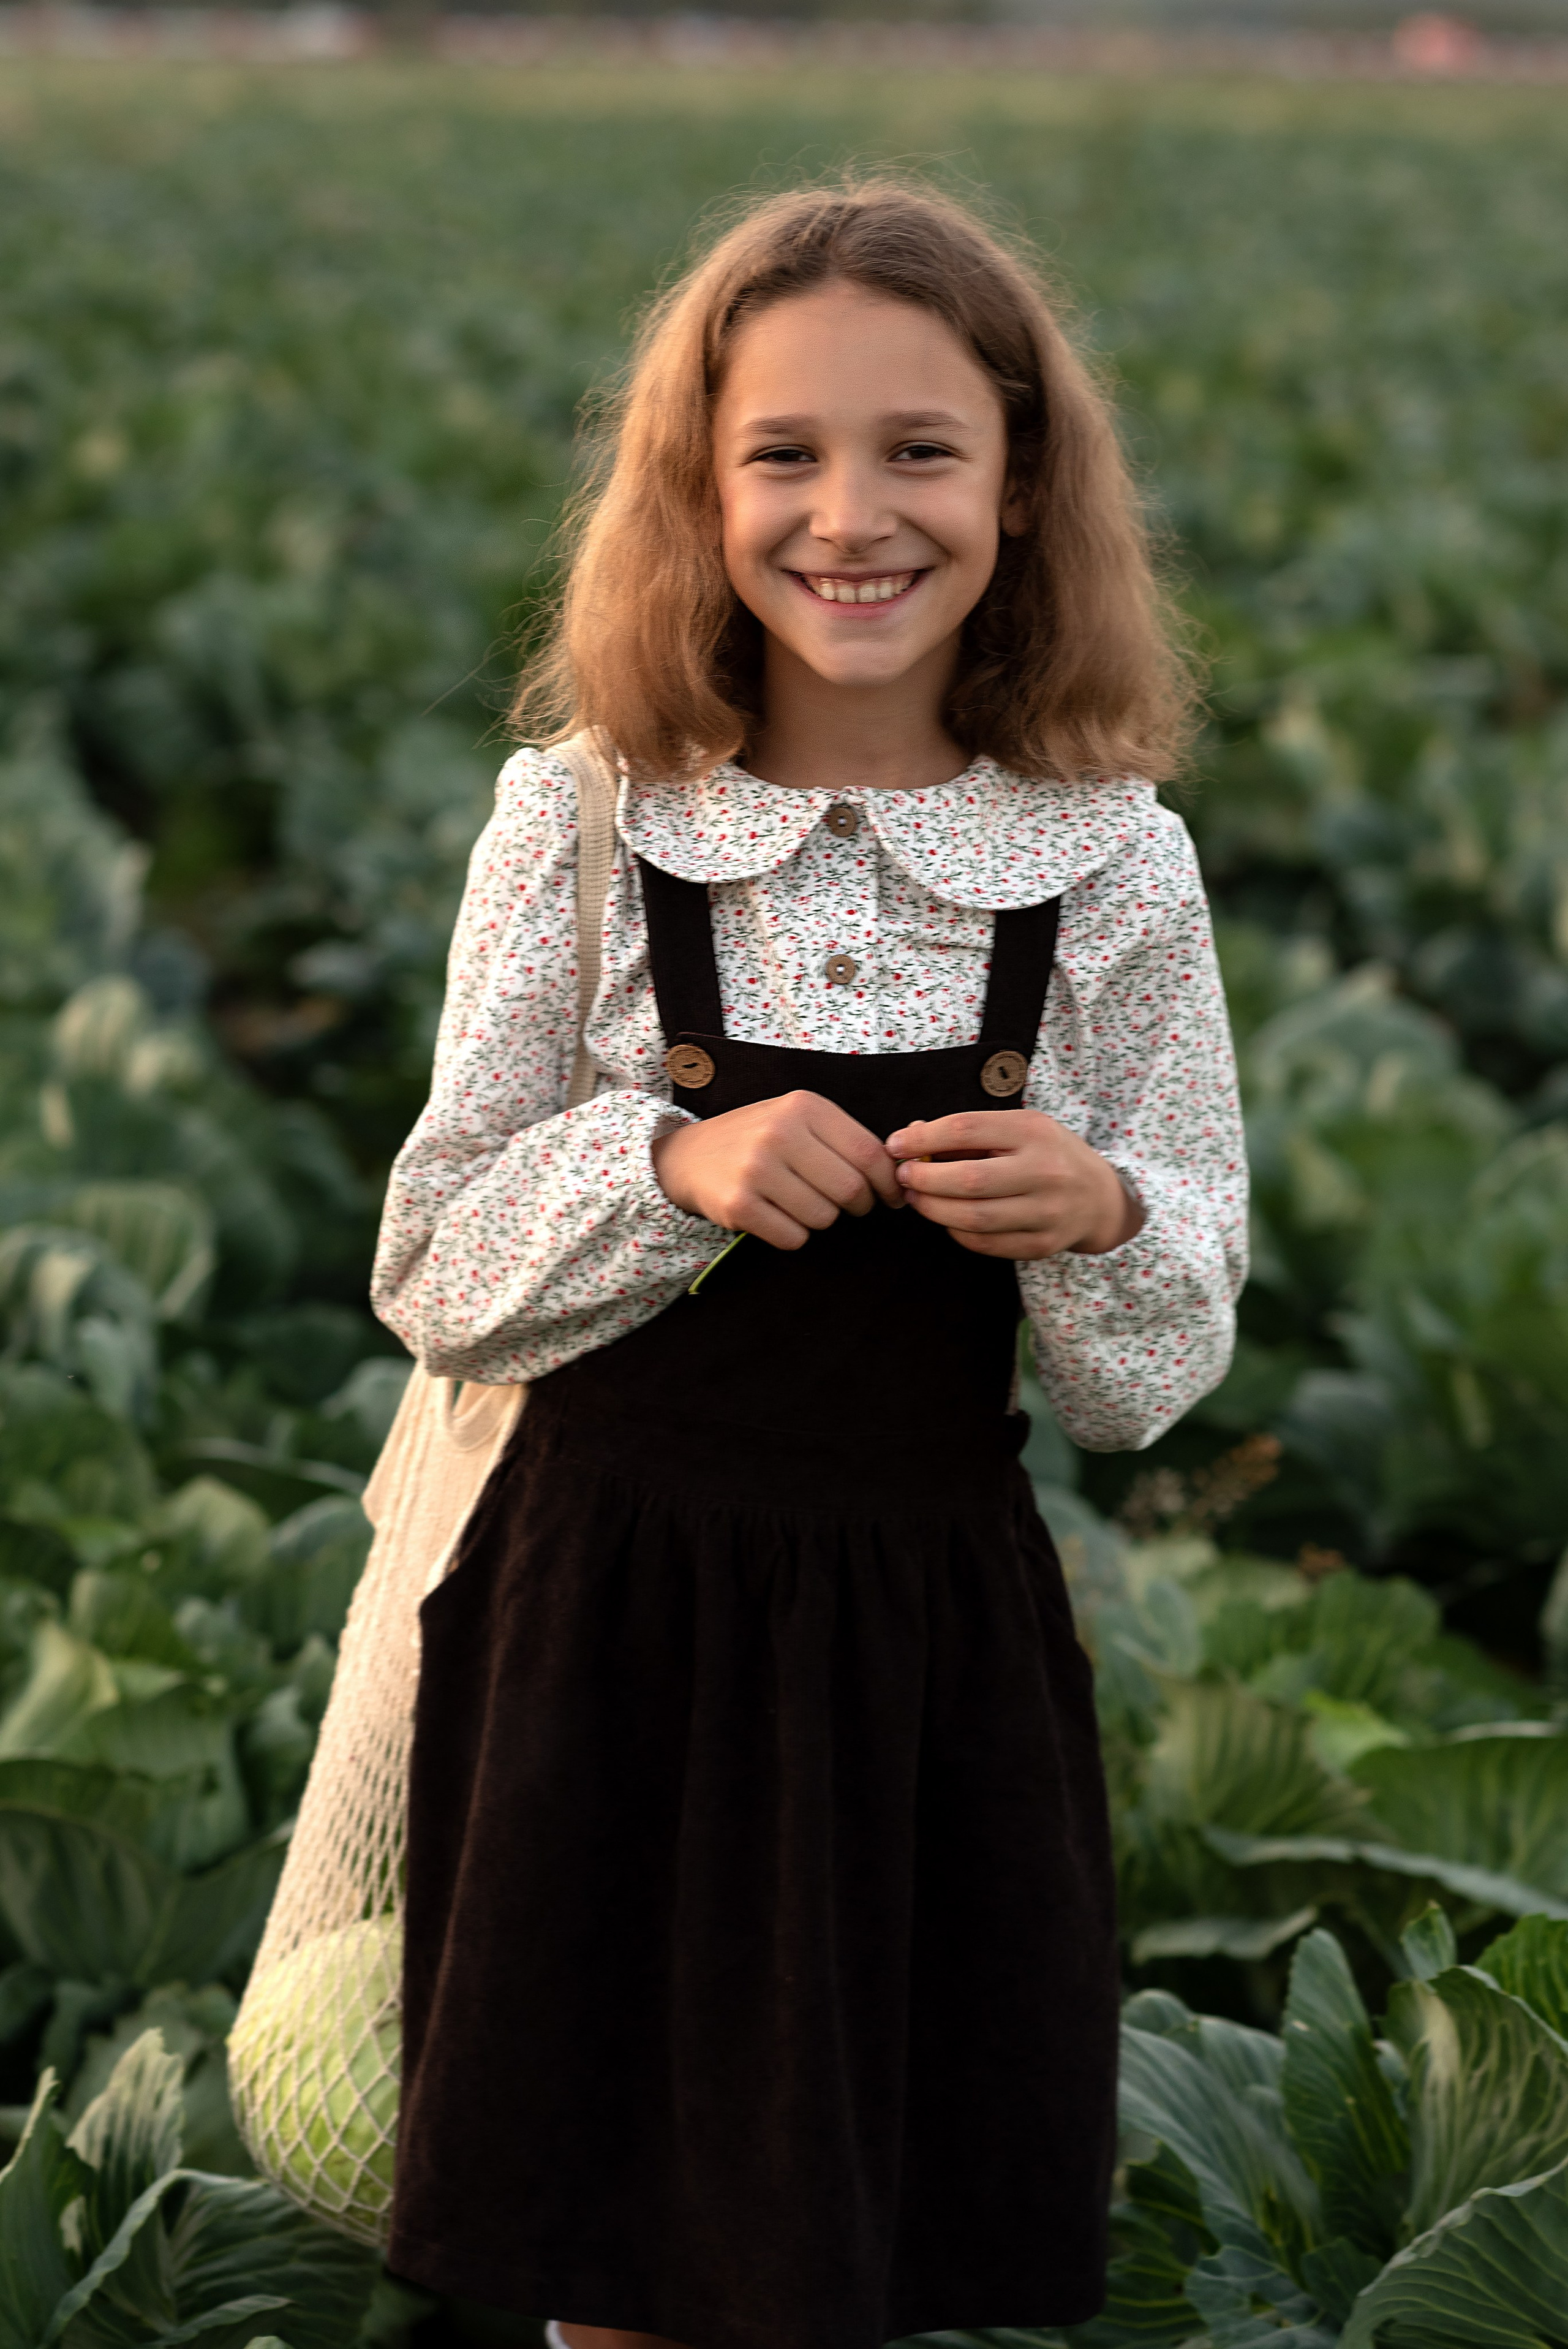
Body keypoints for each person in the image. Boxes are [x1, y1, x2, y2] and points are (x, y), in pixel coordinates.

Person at [371, 180, 1247, 2349]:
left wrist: (1107, 1210)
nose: (854, 513)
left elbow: (1167, 1355)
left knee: (869, 2257)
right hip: (609, 1632)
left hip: (924, 1649)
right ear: (698, 485)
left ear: (1024, 485)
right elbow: (431, 1258)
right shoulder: (578, 819)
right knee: (624, 2275)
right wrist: (671, 1161)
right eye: (785, 453)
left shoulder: (1115, 866)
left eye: (923, 450)